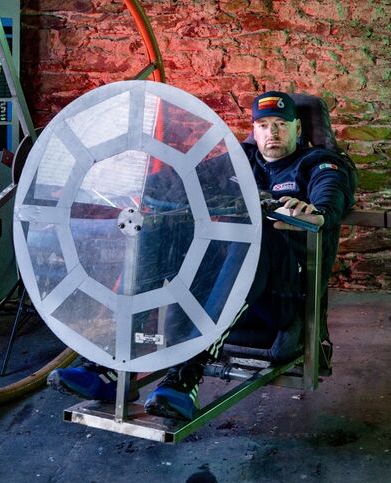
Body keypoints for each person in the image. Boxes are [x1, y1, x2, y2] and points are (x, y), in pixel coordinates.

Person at [49, 90, 355, 419]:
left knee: (255, 236)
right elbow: (178, 181)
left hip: (282, 291)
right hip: (224, 279)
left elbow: (331, 191)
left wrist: (318, 211)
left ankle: (186, 376)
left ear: (298, 128)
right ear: (254, 130)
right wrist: (132, 186)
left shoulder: (317, 163)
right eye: (264, 125)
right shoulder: (239, 160)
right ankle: (110, 363)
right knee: (155, 231)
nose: (273, 132)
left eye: (281, 124)